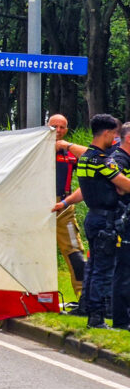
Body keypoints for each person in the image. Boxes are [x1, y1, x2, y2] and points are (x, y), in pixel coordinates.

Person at [75, 114, 130, 329]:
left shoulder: (86, 157)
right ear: (106, 133)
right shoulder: (101, 160)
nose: (115, 139)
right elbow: (122, 184)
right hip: (105, 220)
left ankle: (89, 311)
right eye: (114, 134)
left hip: (93, 216)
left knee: (95, 267)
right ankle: (96, 317)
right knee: (103, 270)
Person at [48, 114, 87, 303]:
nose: (58, 130)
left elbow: (93, 158)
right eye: (54, 126)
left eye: (62, 127)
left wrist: (66, 145)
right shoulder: (35, 149)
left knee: (75, 251)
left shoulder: (70, 151)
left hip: (64, 208)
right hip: (35, 207)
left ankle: (83, 296)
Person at [111, 123, 130, 330]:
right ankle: (121, 320)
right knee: (123, 271)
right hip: (122, 221)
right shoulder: (118, 159)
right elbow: (119, 188)